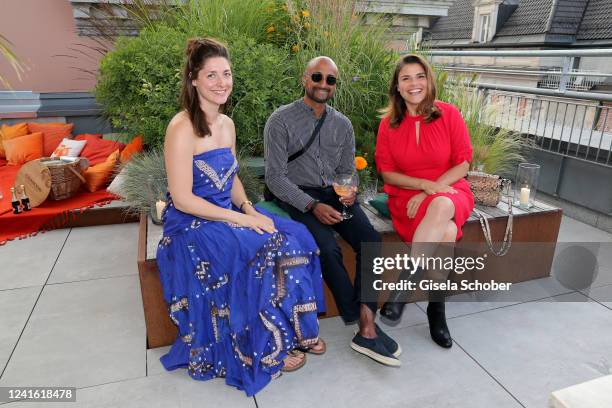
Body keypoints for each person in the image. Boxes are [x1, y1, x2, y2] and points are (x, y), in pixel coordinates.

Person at [156, 38, 326, 397]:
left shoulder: (227, 124)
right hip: (191, 225)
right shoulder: (181, 127)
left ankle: (287, 334)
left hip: (228, 213)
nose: (221, 82)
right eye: (212, 75)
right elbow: (184, 199)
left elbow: (230, 176)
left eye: (227, 74)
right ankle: (263, 348)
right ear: (193, 79)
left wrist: (248, 208)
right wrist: (242, 222)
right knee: (265, 250)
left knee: (295, 238)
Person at [264, 56, 401, 367]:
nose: (323, 84)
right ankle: (362, 323)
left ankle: (367, 319)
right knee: (325, 247)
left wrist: (350, 189)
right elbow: (275, 177)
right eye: (317, 77)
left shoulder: (342, 123)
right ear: (304, 79)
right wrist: (312, 205)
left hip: (335, 194)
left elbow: (347, 170)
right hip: (297, 195)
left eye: (330, 80)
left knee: (370, 239)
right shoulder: (280, 120)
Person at [375, 54, 475, 348]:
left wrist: (431, 190)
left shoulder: (449, 114)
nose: (414, 83)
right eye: (405, 78)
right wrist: (421, 186)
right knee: (444, 233)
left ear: (428, 80)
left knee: (442, 205)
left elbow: (464, 164)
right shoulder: (388, 125)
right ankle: (437, 308)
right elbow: (388, 174)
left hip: (450, 189)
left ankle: (403, 288)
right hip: (408, 198)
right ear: (397, 86)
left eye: (419, 76)